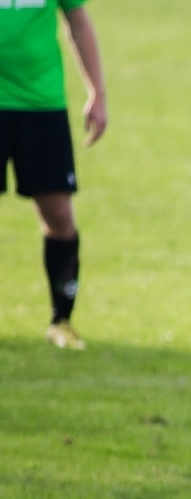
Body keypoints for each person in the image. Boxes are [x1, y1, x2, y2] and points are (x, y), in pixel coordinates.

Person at [1, 0, 106, 349]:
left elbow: (78, 20)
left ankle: (61, 320)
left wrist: (97, 92)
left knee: (59, 215)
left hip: (42, 104)